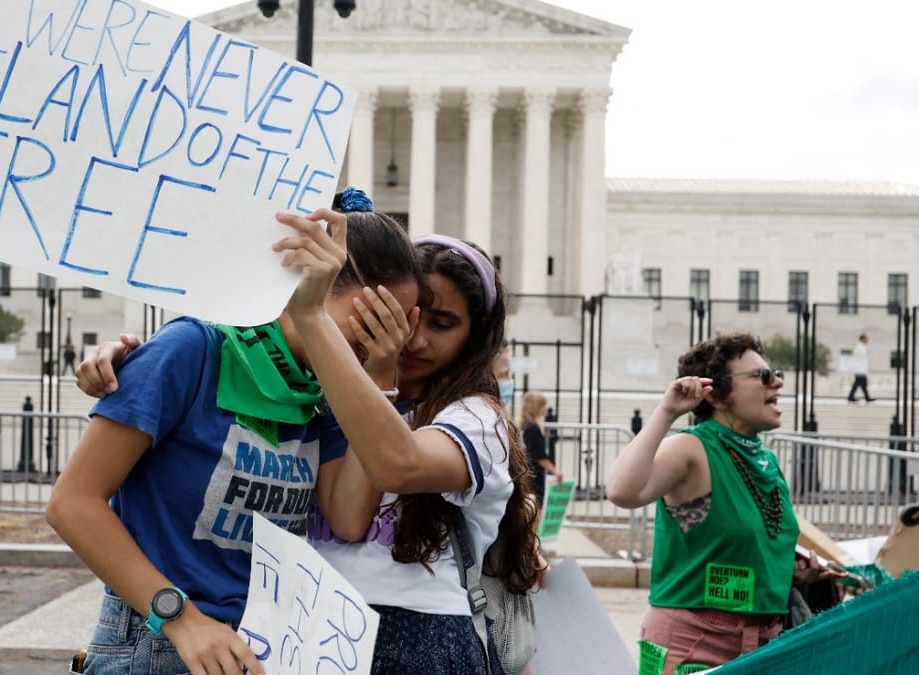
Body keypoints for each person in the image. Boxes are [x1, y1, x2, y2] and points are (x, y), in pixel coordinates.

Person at [46, 193, 423, 675]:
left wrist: (378, 373)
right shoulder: (191, 349)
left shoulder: (324, 395)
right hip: (161, 640)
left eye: (397, 328)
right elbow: (72, 503)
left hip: (258, 646)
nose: (382, 336)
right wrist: (180, 619)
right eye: (374, 316)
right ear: (310, 281)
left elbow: (349, 517)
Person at [284, 218, 543, 674]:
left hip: (419, 634)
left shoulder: (477, 419)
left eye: (442, 324)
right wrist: (122, 362)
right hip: (312, 623)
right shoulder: (323, 392)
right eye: (404, 315)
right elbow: (346, 520)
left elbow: (396, 465)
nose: (414, 340)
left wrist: (381, 375)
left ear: (475, 339)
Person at [605, 333, 840, 674]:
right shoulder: (692, 448)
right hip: (696, 643)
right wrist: (667, 411)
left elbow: (743, 542)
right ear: (716, 393)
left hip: (766, 642)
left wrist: (793, 570)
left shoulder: (765, 461)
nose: (776, 382)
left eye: (775, 373)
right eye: (762, 376)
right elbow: (621, 490)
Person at [520, 391, 562, 505]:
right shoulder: (533, 428)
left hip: (528, 473)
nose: (546, 408)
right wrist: (555, 471)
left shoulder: (526, 425)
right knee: (538, 506)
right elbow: (539, 456)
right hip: (535, 475)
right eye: (543, 405)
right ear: (537, 407)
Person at [847, 333, 874, 403]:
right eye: (866, 339)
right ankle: (851, 397)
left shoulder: (860, 346)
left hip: (860, 368)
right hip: (859, 368)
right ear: (862, 339)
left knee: (862, 383)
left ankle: (866, 397)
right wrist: (865, 367)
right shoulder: (860, 347)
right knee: (859, 382)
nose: (867, 340)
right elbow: (862, 358)